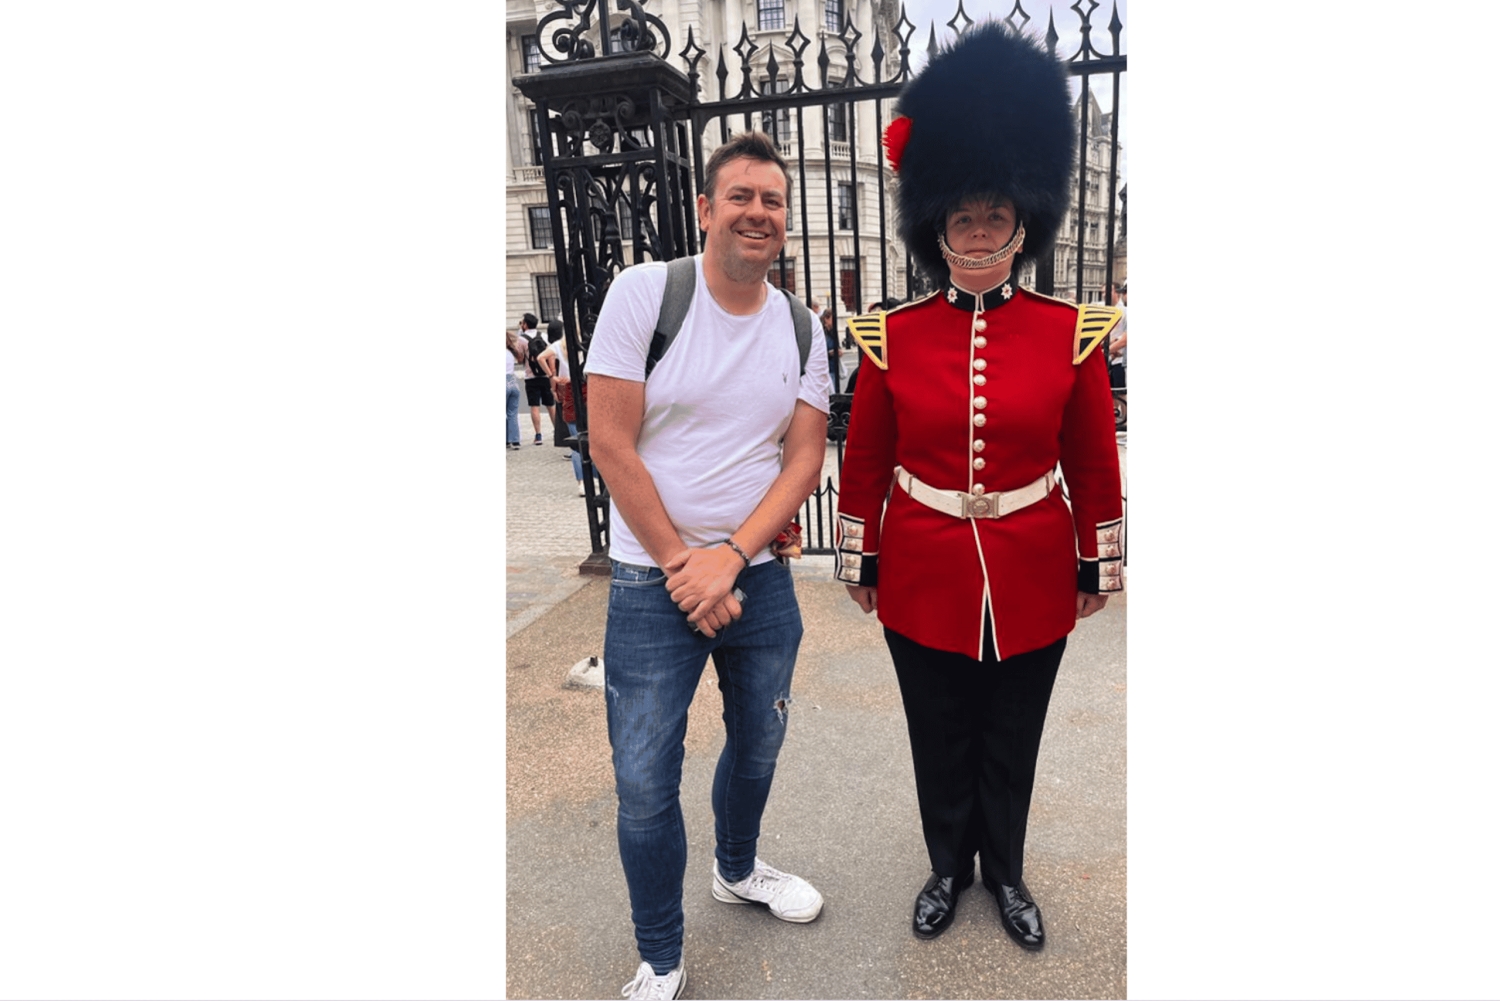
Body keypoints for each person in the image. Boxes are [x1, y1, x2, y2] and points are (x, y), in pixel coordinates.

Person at [836, 23, 1123, 953]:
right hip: (921, 570)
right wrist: (861, 554)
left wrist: (1097, 562)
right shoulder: (895, 335)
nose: (979, 230)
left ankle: (1006, 869)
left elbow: (1092, 460)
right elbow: (869, 459)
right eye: (962, 216)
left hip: (1035, 567)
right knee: (939, 731)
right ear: (937, 227)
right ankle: (945, 866)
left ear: (1021, 223)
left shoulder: (1068, 332)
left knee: (1013, 734)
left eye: (995, 215)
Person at [585, 130, 832, 1001]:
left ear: (785, 221)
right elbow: (610, 442)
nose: (758, 213)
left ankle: (737, 867)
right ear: (704, 208)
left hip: (755, 577)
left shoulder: (802, 326)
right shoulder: (644, 295)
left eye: (772, 201)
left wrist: (729, 557)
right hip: (655, 581)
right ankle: (660, 952)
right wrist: (683, 563)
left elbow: (803, 456)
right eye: (741, 197)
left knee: (760, 741)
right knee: (646, 777)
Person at [538, 318, 586, 496]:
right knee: (592, 435)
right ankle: (595, 475)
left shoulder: (559, 345)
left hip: (568, 389)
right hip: (585, 388)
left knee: (575, 438)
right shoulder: (586, 343)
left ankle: (581, 482)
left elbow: (540, 357)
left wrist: (552, 376)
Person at [518, 312, 553, 445]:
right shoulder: (543, 336)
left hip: (530, 376)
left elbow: (520, 358)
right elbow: (550, 355)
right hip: (544, 374)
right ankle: (557, 431)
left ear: (526, 324)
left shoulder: (521, 339)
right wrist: (551, 372)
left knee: (534, 406)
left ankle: (538, 435)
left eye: (522, 322)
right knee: (550, 404)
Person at [504, 329, 526, 450]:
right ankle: (515, 440)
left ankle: (506, 439)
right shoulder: (511, 352)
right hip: (513, 381)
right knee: (512, 413)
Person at [1107, 281, 1127, 389]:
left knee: (1122, 394)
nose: (1105, 294)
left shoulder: (1124, 311)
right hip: (1112, 358)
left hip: (1120, 358)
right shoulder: (1105, 309)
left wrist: (1106, 350)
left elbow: (1124, 339)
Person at [821, 307, 842, 393]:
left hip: (834, 367)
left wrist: (839, 351)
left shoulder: (833, 331)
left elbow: (837, 345)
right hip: (826, 368)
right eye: (832, 319)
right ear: (826, 318)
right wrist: (829, 354)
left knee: (835, 391)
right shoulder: (822, 331)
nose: (834, 321)